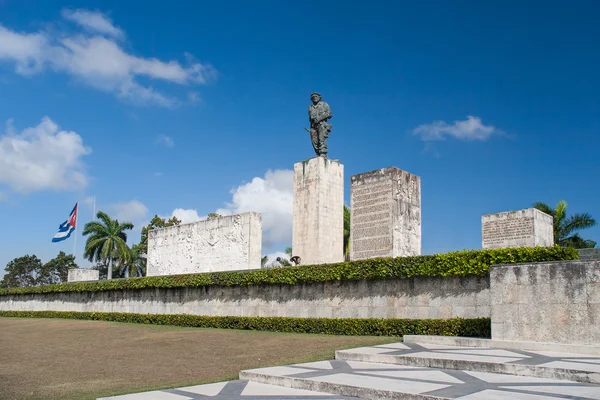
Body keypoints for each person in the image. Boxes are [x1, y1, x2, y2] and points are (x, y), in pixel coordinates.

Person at [307, 92, 332, 157]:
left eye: (316, 96)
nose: (314, 98)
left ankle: (323, 153)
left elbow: (329, 114)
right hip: (313, 126)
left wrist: (319, 118)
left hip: (322, 124)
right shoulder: (310, 107)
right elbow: (310, 118)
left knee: (321, 139)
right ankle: (318, 153)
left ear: (319, 97)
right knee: (314, 141)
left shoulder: (324, 104)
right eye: (312, 97)